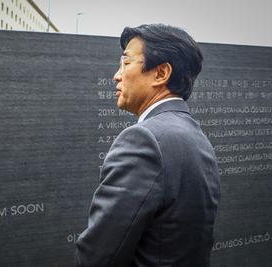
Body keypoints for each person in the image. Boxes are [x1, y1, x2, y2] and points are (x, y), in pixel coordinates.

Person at [75, 24, 220, 267]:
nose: (117, 75)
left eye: (126, 63)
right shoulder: (196, 136)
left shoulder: (144, 140)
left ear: (161, 73)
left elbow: (99, 255)